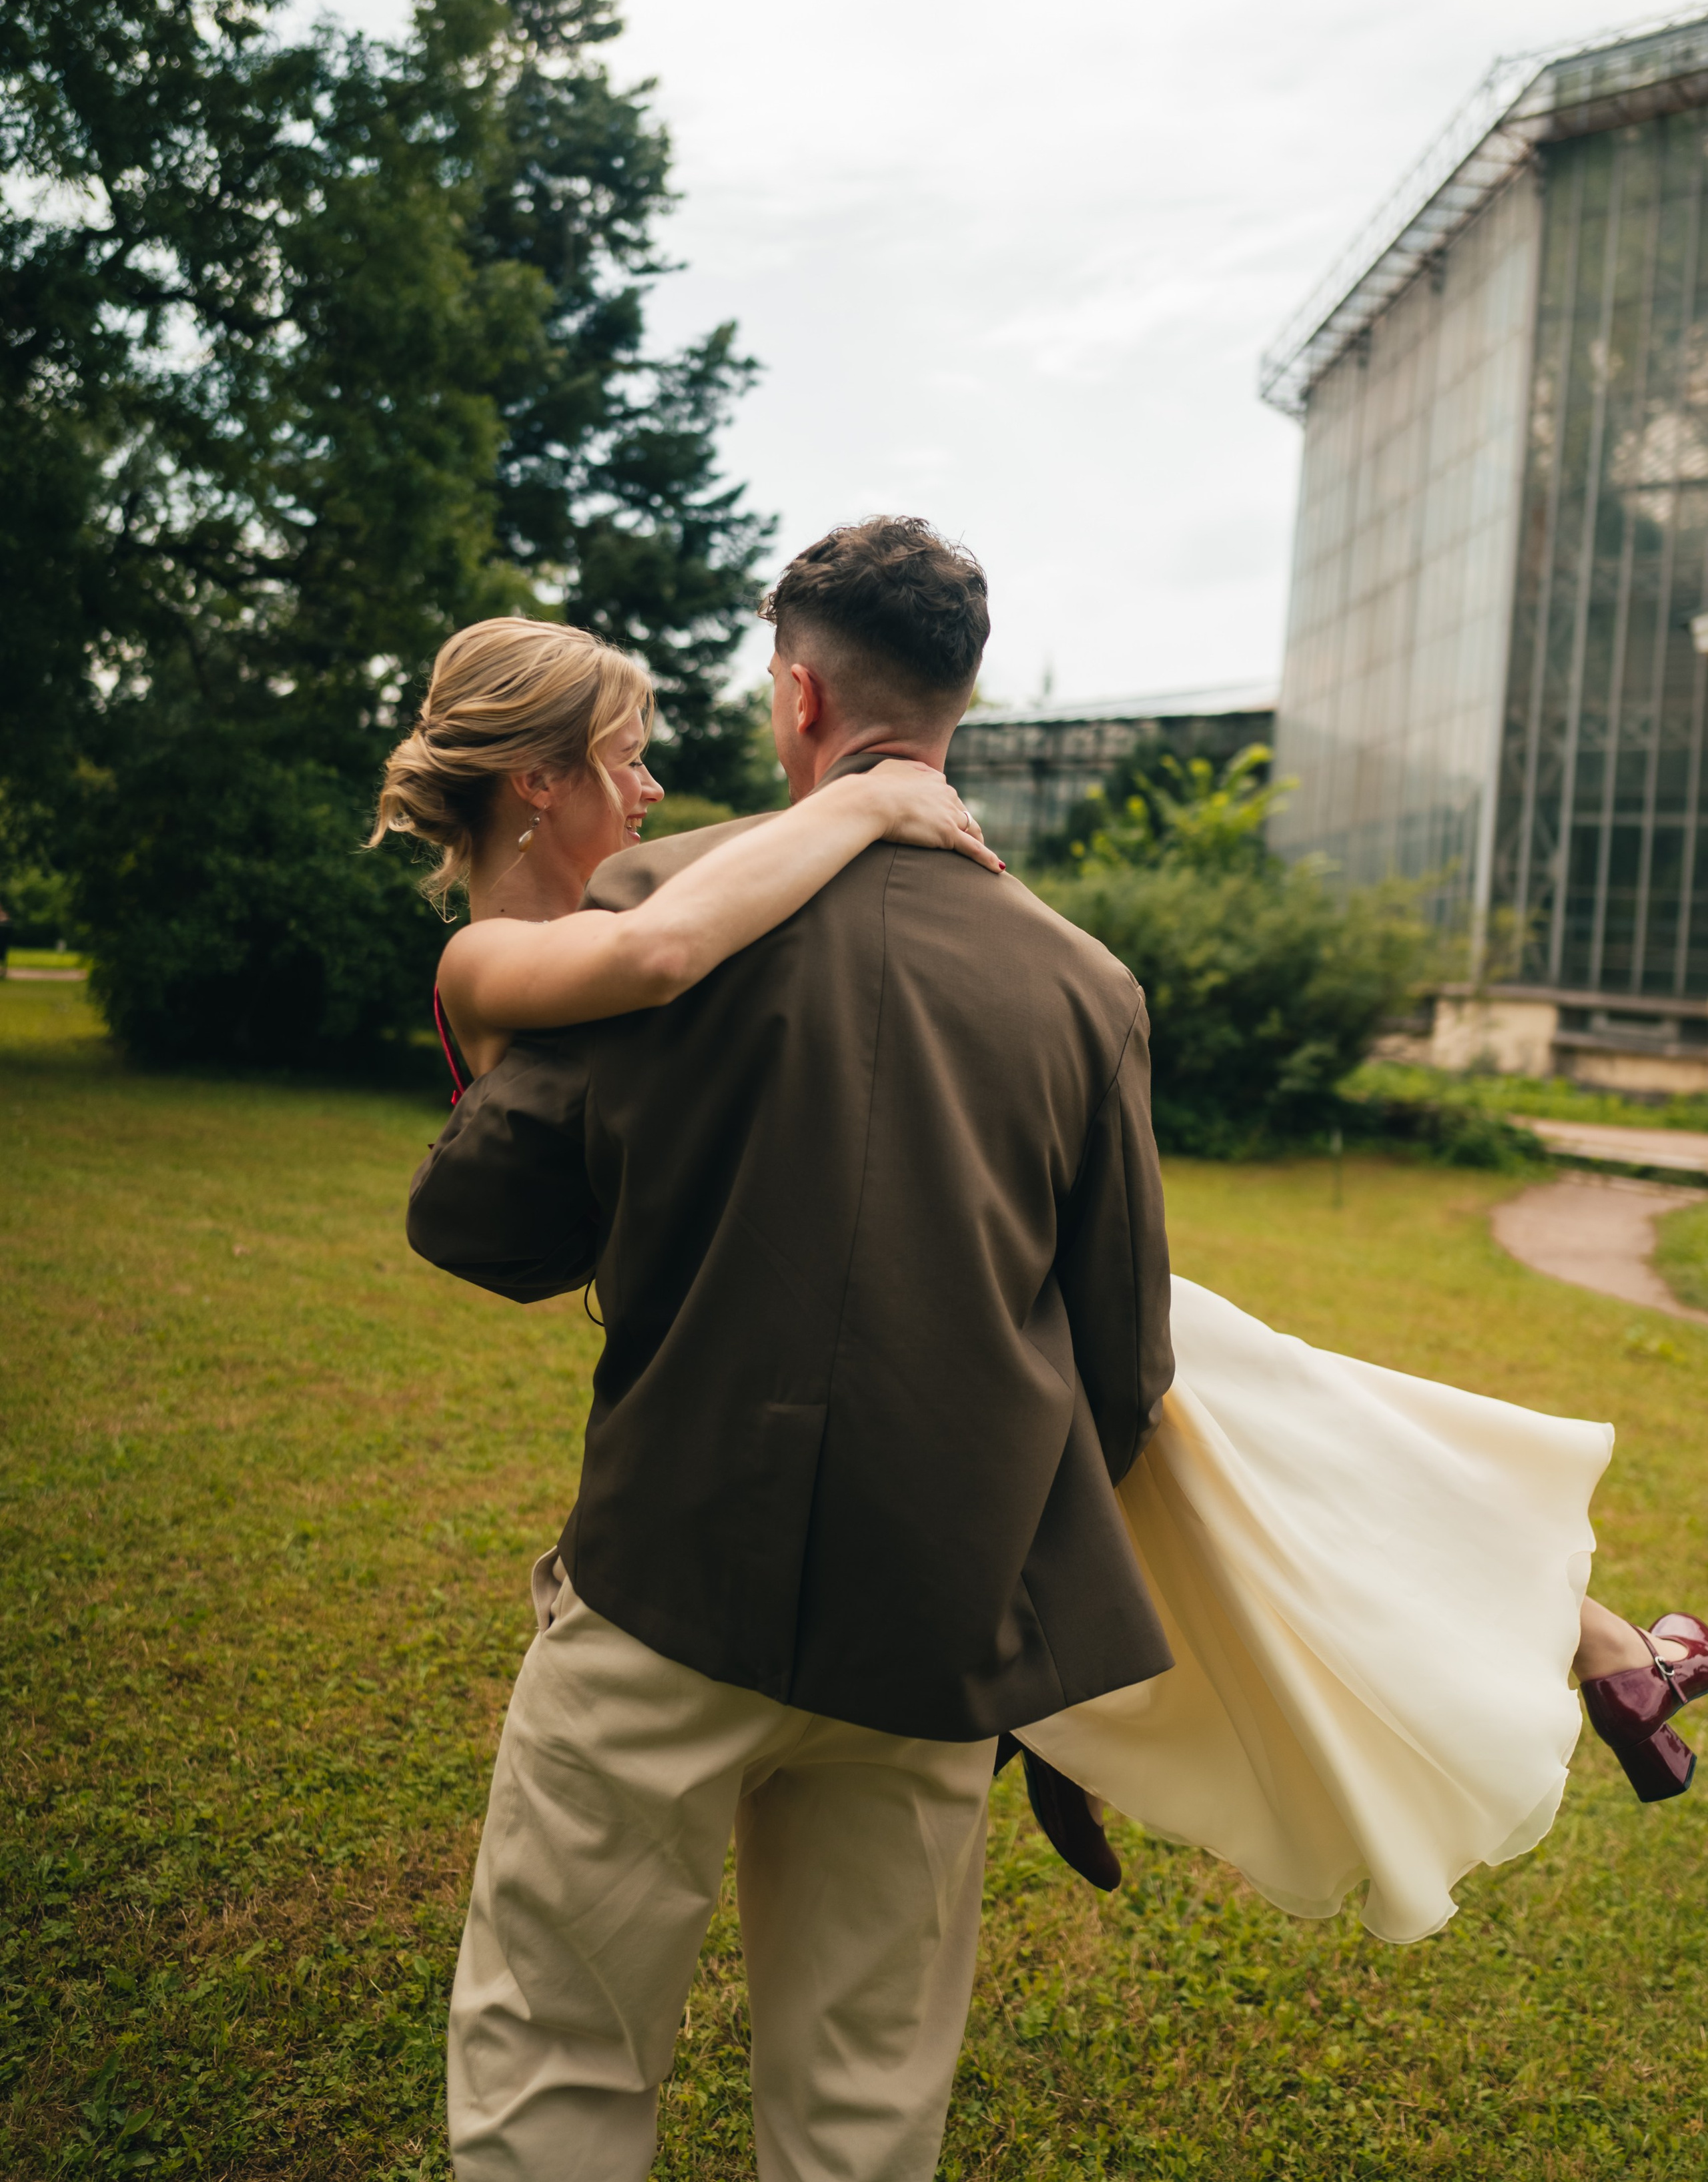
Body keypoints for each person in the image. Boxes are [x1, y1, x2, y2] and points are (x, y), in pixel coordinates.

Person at [389, 521, 1707, 2182]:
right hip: (932, 1628)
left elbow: (490, 1228)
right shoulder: (1089, 987)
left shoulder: (656, 904)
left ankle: (1588, 1634)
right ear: (961, 705)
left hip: (670, 1573)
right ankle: (1585, 1630)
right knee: (863, 2102)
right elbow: (1119, 1367)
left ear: (796, 692)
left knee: (556, 2046)